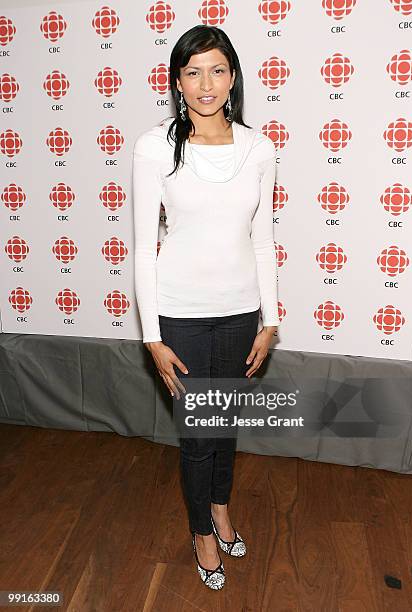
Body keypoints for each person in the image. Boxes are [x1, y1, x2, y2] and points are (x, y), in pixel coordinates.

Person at [132, 24, 279, 590]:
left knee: (226, 425)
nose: (206, 83)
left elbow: (262, 240)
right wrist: (152, 336)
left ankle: (220, 508)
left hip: (242, 313)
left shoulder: (259, 147)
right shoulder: (154, 147)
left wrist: (270, 320)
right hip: (181, 312)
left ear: (233, 76)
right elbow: (146, 247)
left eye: (217, 69)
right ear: (177, 81)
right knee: (198, 434)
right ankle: (200, 531)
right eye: (192, 71)